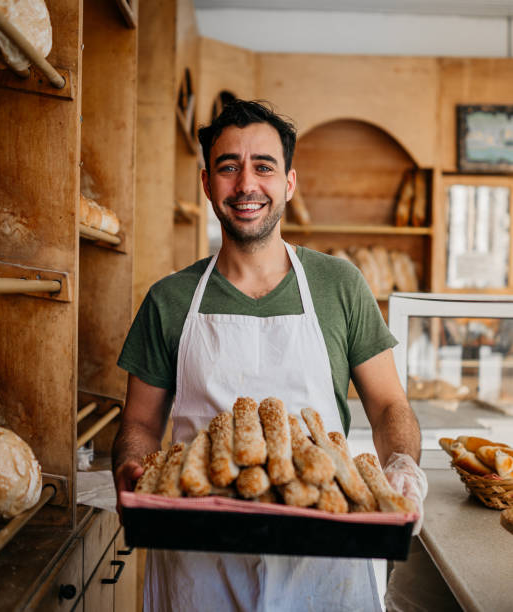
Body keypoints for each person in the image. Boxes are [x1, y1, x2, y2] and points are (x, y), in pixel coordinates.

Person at [113, 99, 427, 612]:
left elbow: (390, 405)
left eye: (264, 166)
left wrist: (401, 467)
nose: (246, 185)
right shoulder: (169, 300)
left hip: (325, 564)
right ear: (206, 183)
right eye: (228, 167)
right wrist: (130, 463)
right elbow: (140, 425)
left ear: (289, 183)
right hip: (198, 566)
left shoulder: (339, 285)